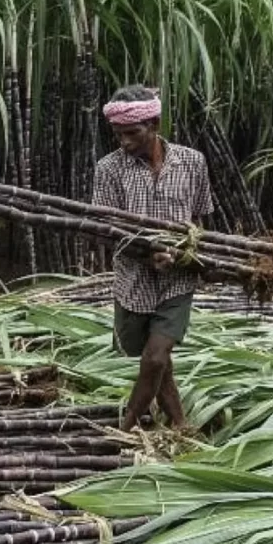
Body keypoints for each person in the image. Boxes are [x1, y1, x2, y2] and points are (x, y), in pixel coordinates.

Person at [91, 85, 214, 432]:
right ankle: (179, 424)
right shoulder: (109, 169)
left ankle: (126, 426)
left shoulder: (193, 162)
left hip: (178, 279)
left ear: (155, 124)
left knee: (156, 355)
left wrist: (189, 255)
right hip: (133, 281)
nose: (125, 142)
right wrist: (149, 256)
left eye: (133, 133)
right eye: (118, 134)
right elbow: (110, 229)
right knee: (155, 362)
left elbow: (200, 219)